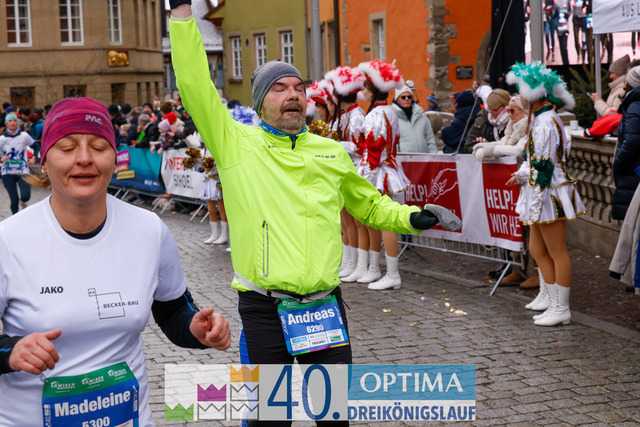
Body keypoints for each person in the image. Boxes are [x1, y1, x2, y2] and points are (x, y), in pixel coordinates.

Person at [169, 6, 459, 426]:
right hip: (265, 308)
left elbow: (369, 204)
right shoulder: (235, 144)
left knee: (333, 417)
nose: (292, 94)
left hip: (324, 307)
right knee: (270, 419)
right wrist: (182, 17)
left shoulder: (330, 152)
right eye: (278, 88)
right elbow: (195, 86)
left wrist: (413, 218)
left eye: (298, 87)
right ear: (259, 102)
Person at [0, 97, 231, 426]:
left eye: (98, 147)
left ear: (114, 158)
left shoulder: (149, 230)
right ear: (44, 161)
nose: (84, 159)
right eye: (67, 148)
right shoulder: (8, 240)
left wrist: (196, 329)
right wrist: (10, 352)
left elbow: (174, 310)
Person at [505, 62, 586, 327]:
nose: (519, 98)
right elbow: (536, 161)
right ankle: (552, 302)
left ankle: (560, 308)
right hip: (540, 188)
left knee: (556, 250)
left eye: (522, 92)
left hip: (547, 191)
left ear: (534, 96)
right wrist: (523, 175)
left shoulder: (545, 123)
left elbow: (544, 166)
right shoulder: (542, 120)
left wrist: (523, 177)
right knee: (537, 248)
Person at [324, 66, 367, 280]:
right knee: (345, 219)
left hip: (356, 168)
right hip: (344, 168)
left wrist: (336, 145)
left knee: (356, 220)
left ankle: (361, 264)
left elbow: (360, 147)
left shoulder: (357, 116)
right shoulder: (346, 116)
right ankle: (350, 261)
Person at [612, 66, 640, 221]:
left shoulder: (635, 105)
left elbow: (631, 142)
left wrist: (617, 165)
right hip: (634, 173)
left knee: (632, 225)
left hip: (632, 173)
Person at [0, 112, 35, 214]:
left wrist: (33, 158)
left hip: (22, 170)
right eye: (10, 121)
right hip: (7, 172)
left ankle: (23, 202)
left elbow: (36, 147)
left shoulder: (24, 136)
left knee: (25, 196)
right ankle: (15, 218)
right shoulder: (2, 139)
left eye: (14, 120)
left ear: (17, 123)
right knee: (14, 199)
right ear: (6, 124)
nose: (12, 122)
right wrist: (1, 159)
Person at [392, 84, 437, 153]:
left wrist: (433, 157)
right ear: (396, 99)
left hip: (423, 159)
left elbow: (430, 141)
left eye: (409, 97)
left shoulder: (423, 118)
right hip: (401, 159)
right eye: (403, 97)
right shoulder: (391, 118)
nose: (407, 99)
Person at [464, 88, 511, 153]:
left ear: (506, 106)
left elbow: (515, 149)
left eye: (495, 110)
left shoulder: (515, 118)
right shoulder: (483, 118)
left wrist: (489, 147)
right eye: (490, 110)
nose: (492, 114)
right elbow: (468, 146)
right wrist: (480, 146)